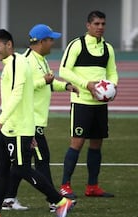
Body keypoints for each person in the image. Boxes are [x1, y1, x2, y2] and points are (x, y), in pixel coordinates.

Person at [0, 29, 75, 217]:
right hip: (10, 129)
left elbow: (17, 94)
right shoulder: (12, 63)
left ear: (9, 45)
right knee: (2, 171)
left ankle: (61, 201)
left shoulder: (17, 63)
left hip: (17, 129)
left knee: (22, 169)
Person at [59, 10, 118, 199]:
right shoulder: (77, 45)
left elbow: (112, 72)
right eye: (96, 24)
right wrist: (87, 85)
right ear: (88, 25)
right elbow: (63, 70)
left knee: (96, 144)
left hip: (100, 105)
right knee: (77, 143)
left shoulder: (108, 48)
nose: (100, 27)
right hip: (81, 102)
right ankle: (65, 186)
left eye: (103, 24)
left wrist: (113, 87)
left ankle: (92, 186)